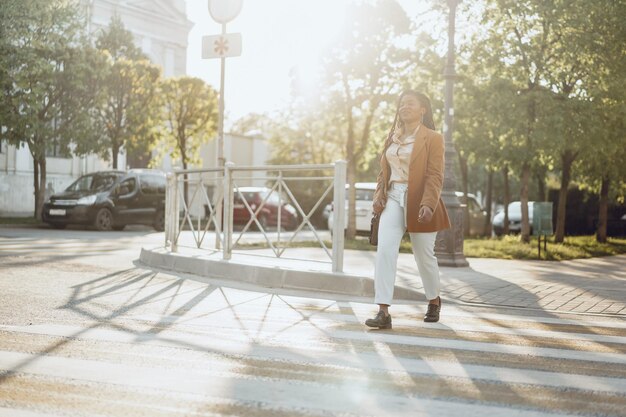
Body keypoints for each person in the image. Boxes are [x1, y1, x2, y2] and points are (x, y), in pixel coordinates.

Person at [365, 90, 451, 329]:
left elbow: (435, 175)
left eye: (410, 103)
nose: (404, 107)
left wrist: (428, 203)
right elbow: (384, 172)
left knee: (424, 255)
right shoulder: (392, 137)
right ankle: (383, 311)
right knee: (385, 251)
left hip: (420, 200)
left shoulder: (433, 138)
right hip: (393, 198)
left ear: (422, 109)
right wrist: (378, 196)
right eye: (401, 104)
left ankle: (434, 300)